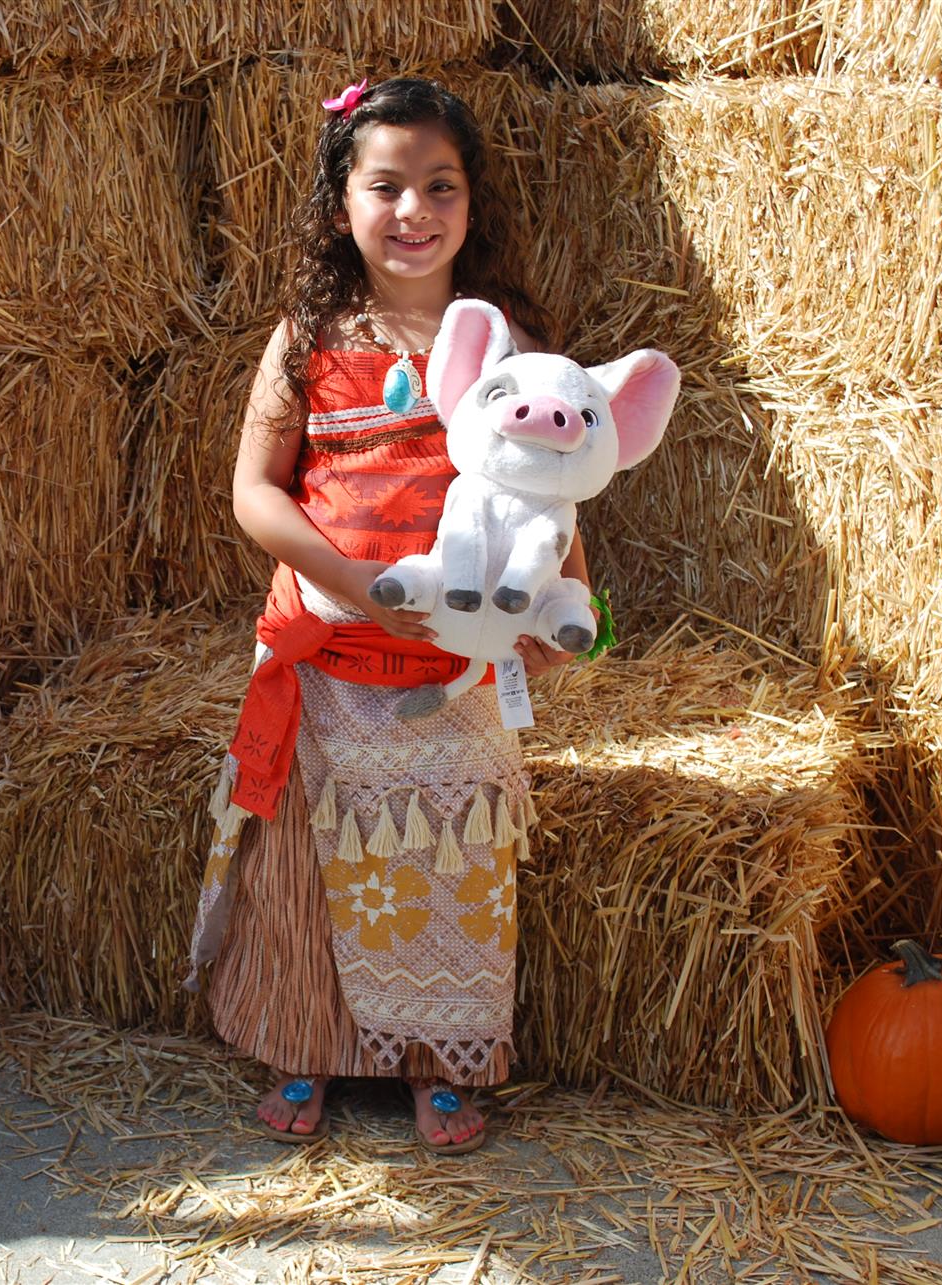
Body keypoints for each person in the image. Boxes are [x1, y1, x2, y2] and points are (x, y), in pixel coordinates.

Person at [185, 76, 594, 1155]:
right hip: (333, 644)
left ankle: (441, 1060)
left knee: (448, 859)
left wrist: (557, 611)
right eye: (387, 186)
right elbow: (255, 493)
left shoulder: (511, 343)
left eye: (439, 186)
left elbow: (552, 482)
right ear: (340, 208)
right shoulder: (309, 336)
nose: (414, 210)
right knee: (315, 862)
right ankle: (304, 1045)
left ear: (472, 205)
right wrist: (355, 582)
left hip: (453, 661)